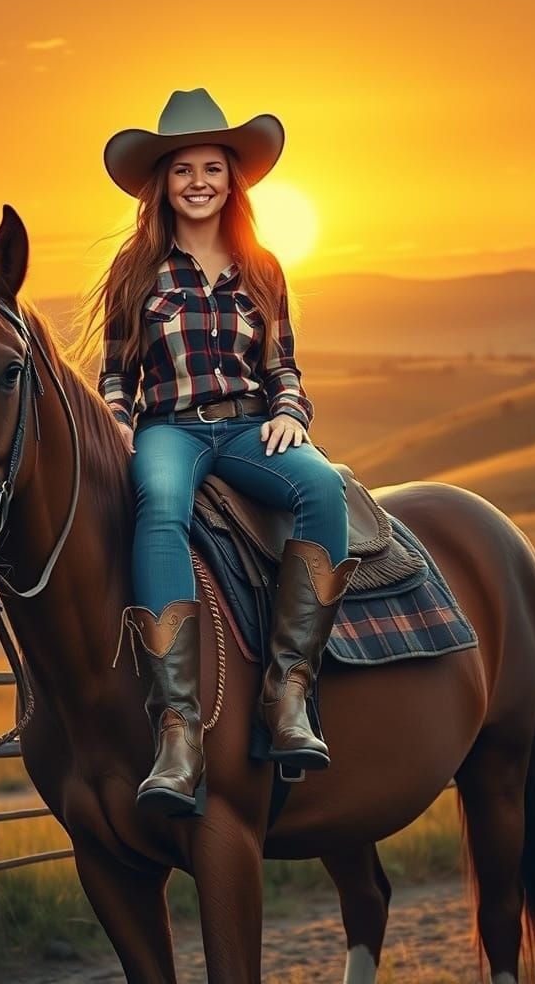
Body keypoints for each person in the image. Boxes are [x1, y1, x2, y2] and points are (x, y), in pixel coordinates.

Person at [83, 88, 360, 817]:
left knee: (322, 489)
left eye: (213, 167)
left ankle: (289, 691)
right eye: (183, 170)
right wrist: (116, 421)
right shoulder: (137, 269)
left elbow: (284, 368)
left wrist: (291, 415)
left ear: (232, 179)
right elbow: (116, 370)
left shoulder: (263, 267)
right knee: (161, 503)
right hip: (169, 427)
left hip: (248, 428)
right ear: (162, 185)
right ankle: (178, 729)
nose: (199, 181)